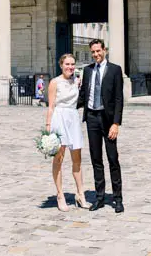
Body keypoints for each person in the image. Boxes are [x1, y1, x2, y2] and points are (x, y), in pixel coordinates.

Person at [77, 39, 124, 213]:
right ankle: (99, 197)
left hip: (107, 119)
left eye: (98, 51)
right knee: (96, 159)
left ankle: (118, 198)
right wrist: (65, 105)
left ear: (104, 50)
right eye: (93, 52)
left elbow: (119, 99)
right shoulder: (87, 70)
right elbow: (83, 95)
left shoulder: (115, 70)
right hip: (92, 118)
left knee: (112, 159)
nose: (96, 54)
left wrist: (116, 123)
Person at [45, 54, 86, 212]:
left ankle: (80, 194)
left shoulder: (76, 81)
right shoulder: (55, 82)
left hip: (73, 117)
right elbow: (51, 106)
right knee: (59, 158)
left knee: (77, 158)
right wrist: (48, 126)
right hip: (59, 117)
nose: (70, 67)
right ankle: (60, 195)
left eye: (72, 64)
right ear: (61, 65)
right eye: (67, 64)